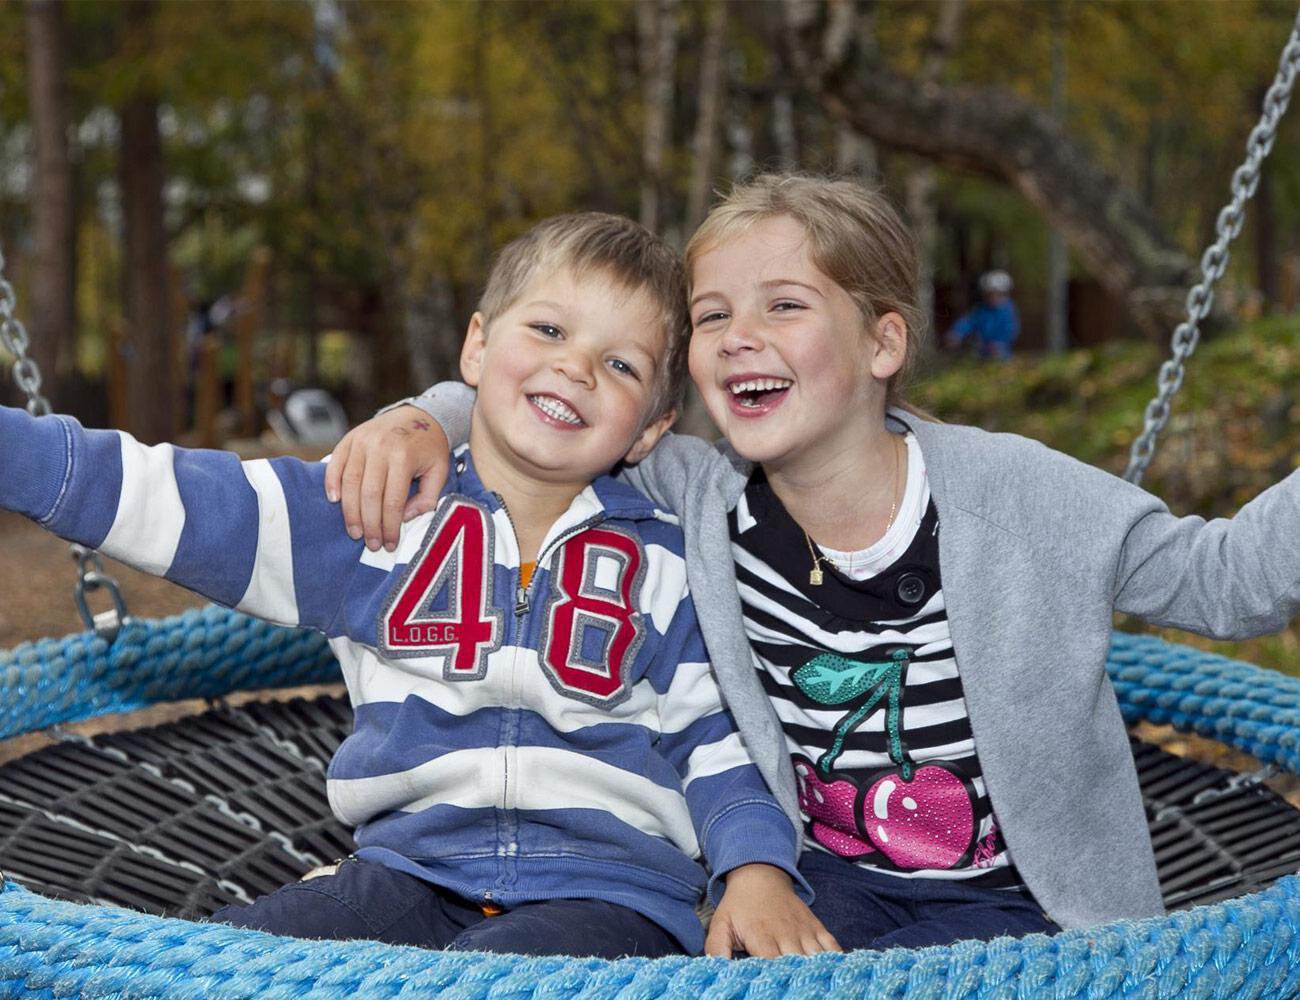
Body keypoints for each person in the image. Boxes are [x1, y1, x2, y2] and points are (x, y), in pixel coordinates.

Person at [328, 174, 1300, 951]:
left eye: (783, 305)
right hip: (816, 884)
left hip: (1024, 906)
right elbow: (541, 411)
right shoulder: (694, 488)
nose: (739, 337)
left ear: (883, 342)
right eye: (712, 316)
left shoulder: (1015, 497)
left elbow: (1227, 580)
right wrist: (420, 418)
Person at [0, 212, 833, 960]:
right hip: (409, 872)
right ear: (476, 349)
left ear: (650, 428)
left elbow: (715, 739)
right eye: (548, 329)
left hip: (610, 896)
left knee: (491, 983)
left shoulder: (664, 564)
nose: (574, 367)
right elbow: (184, 501)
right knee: (227, 962)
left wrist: (756, 870)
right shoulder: (380, 510)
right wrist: (20, 455)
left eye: (619, 364)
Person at [945, 269, 1019, 359]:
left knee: (999, 358)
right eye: (990, 294)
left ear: (1005, 294)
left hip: (1001, 351)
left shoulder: (1008, 311)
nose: (994, 298)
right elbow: (968, 322)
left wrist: (999, 342)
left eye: (998, 294)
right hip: (981, 350)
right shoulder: (981, 309)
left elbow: (1010, 329)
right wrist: (957, 333)